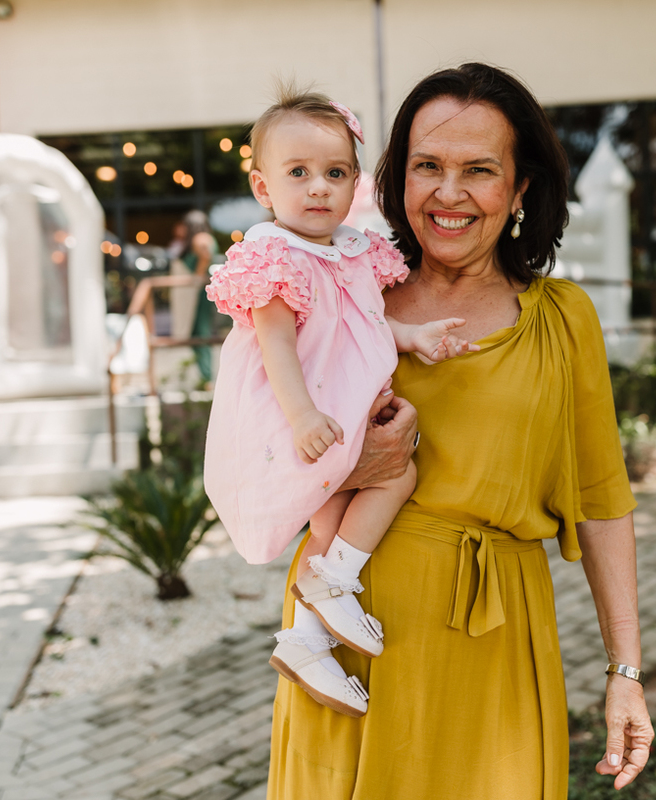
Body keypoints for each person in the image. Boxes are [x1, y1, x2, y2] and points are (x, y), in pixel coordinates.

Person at [266, 64, 655, 799]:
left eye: (478, 169)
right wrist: (353, 468)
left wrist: (625, 673)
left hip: (495, 642)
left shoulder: (563, 318)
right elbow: (256, 448)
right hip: (345, 641)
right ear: (396, 179)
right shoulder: (343, 297)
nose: (449, 193)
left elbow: (604, 502)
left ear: (521, 188)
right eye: (427, 167)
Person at [204, 87, 477, 717]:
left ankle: (306, 638)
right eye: (297, 173)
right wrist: (301, 417)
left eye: (334, 173)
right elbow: (274, 344)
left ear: (355, 182)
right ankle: (334, 579)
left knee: (345, 499)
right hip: (299, 408)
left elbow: (367, 321)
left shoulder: (355, 250)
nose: (318, 188)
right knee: (388, 476)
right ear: (263, 187)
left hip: (341, 403)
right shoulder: (271, 254)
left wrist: (415, 338)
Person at [167, 210, 218, 384]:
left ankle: (207, 378)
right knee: (197, 334)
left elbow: (206, 254)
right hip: (198, 292)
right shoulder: (206, 237)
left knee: (200, 333)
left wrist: (198, 274)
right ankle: (204, 378)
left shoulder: (200, 238)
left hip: (197, 294)